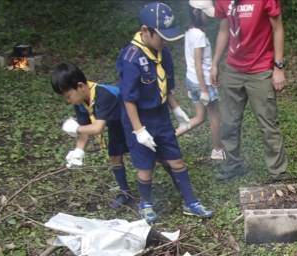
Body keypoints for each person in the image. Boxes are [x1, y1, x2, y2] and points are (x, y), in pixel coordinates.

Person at [116, 1, 213, 222]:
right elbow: (128, 99)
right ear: (145, 31)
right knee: (146, 166)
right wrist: (139, 130)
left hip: (161, 116)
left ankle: (191, 202)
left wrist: (176, 108)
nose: (164, 41)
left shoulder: (164, 54)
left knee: (176, 160)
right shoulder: (130, 58)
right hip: (138, 119)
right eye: (161, 36)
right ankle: (146, 203)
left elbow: (166, 87)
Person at [210, 0, 289, 182]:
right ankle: (232, 165)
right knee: (229, 122)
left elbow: (277, 29)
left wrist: (278, 67)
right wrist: (215, 63)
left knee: (268, 124)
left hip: (261, 69)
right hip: (233, 69)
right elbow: (224, 30)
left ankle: (278, 173)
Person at [51, 63, 133, 208]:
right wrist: (79, 151)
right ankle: (125, 193)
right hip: (115, 123)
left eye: (68, 95)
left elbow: (97, 128)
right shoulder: (80, 101)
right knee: (115, 156)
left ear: (81, 86)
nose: (68, 100)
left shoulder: (103, 94)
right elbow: (84, 129)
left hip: (134, 121)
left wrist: (76, 128)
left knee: (154, 155)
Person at [176, 0, 223, 161]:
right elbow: (198, 63)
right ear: (196, 12)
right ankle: (217, 150)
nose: (208, 18)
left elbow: (190, 60)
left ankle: (168, 139)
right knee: (215, 115)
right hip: (202, 82)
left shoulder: (189, 31)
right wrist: (204, 90)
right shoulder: (199, 35)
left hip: (192, 80)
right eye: (206, 14)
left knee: (200, 117)